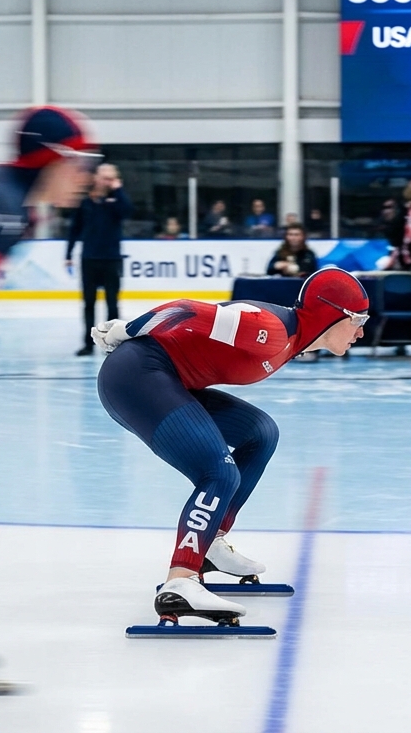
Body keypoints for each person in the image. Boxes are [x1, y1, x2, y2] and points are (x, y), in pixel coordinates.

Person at [92, 267, 368, 625]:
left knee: (261, 433)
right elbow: (185, 309)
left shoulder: (293, 340)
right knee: (219, 472)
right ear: (331, 314)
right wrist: (123, 330)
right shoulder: (267, 330)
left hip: (167, 379)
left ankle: (210, 543)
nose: (362, 331)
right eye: (357, 319)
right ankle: (182, 580)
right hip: (135, 377)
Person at [67, 163, 132, 356]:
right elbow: (74, 229)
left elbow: (127, 212)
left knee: (112, 302)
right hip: (89, 258)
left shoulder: (116, 201)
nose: (107, 181)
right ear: (96, 178)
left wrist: (118, 190)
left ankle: (112, 342)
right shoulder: (85, 202)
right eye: (104, 177)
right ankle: (88, 343)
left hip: (111, 258)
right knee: (89, 303)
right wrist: (68, 254)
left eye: (111, 178)